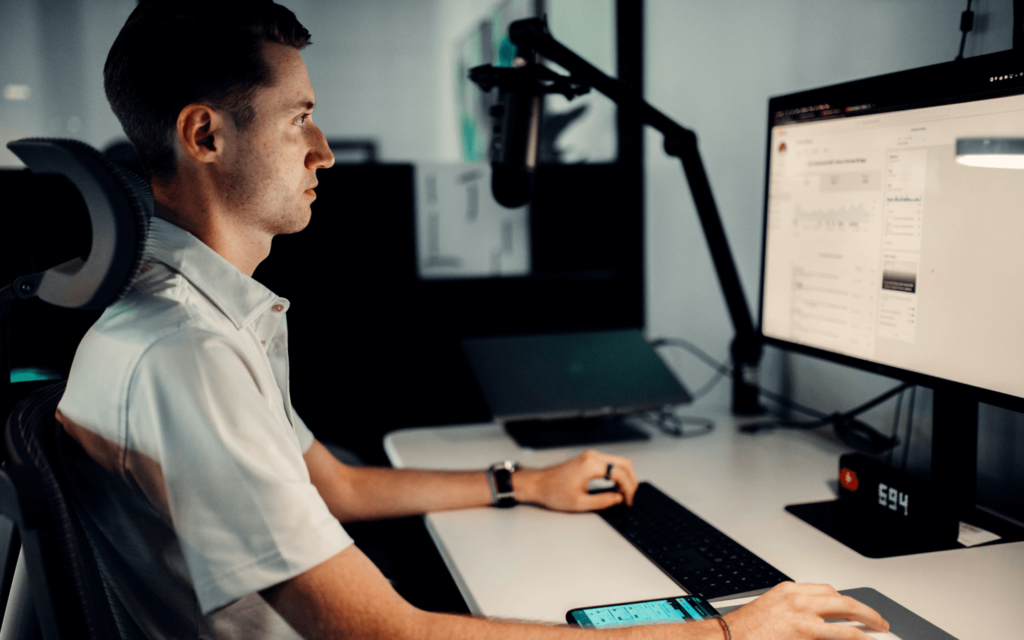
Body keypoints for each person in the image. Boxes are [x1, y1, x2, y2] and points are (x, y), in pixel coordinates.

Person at [55, 1, 890, 638]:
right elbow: (382, 632)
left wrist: (522, 484)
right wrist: (725, 630)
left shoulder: (199, 315)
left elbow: (333, 487)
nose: (326, 152)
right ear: (204, 135)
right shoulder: (186, 352)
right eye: (299, 117)